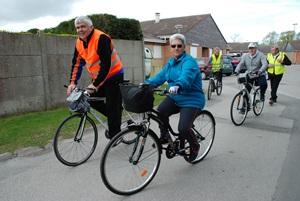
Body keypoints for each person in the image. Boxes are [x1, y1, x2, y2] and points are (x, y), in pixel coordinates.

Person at [145, 33, 206, 163]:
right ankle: (165, 137)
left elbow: (186, 76)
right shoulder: (170, 63)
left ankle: (195, 145)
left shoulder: (189, 61)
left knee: (183, 128)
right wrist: (147, 84)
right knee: (160, 112)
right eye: (173, 46)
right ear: (171, 48)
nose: (176, 48)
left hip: (192, 99)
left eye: (179, 45)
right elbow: (160, 77)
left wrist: (178, 85)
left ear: (184, 47)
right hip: (175, 97)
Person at [67, 15, 124, 139]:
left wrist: (95, 84)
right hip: (98, 78)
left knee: (111, 105)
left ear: (91, 27)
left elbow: (106, 64)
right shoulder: (79, 42)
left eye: (83, 26)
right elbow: (76, 64)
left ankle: (116, 136)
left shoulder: (101, 38)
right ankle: (115, 114)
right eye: (77, 28)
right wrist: (72, 82)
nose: (80, 30)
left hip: (114, 75)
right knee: (88, 99)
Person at [234, 42, 268, 113]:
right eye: (250, 48)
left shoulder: (261, 55)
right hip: (250, 74)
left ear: (256, 49)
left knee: (263, 84)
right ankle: (245, 107)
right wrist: (236, 71)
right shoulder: (245, 56)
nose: (251, 50)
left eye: (252, 48)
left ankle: (262, 94)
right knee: (246, 91)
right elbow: (241, 64)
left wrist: (260, 71)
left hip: (259, 74)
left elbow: (265, 64)